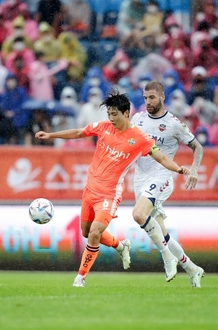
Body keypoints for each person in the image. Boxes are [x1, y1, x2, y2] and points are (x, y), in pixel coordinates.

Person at [35, 90, 190, 287]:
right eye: (109, 114)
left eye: (114, 114)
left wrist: (178, 169)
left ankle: (80, 278)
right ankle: (120, 245)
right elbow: (79, 132)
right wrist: (50, 134)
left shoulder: (139, 138)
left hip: (109, 194)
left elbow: (160, 156)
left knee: (94, 232)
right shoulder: (104, 127)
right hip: (90, 190)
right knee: (86, 232)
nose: (111, 118)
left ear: (126, 113)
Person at [130, 81, 205, 287]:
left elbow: (197, 147)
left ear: (162, 97)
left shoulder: (173, 123)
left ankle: (167, 258)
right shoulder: (137, 119)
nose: (148, 102)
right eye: (145, 98)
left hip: (162, 176)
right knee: (162, 234)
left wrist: (195, 169)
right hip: (141, 179)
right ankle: (192, 269)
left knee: (138, 214)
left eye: (152, 98)